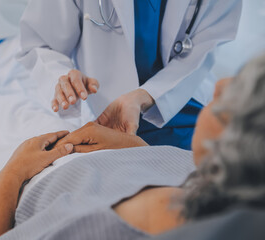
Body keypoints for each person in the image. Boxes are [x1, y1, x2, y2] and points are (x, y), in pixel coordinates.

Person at [0, 54, 265, 240]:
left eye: (244, 92)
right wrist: (137, 147)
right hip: (121, 150)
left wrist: (9, 178)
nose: (221, 85)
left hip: (35, 171)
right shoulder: (225, 178)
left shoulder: (92, 227)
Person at [16, 0, 242, 150]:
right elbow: (40, 43)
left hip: (183, 98)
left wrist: (145, 95)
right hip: (106, 114)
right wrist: (64, 79)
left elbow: (206, 44)